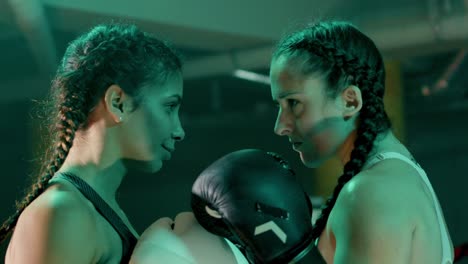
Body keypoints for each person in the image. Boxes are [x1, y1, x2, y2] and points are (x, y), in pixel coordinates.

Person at [269, 20, 453, 263]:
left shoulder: (370, 193)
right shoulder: (398, 173)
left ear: (350, 102)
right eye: (279, 107)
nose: (280, 126)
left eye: (293, 103)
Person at [0, 23, 185, 264]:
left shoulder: (95, 210)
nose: (179, 131)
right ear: (118, 103)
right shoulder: (64, 213)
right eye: (169, 107)